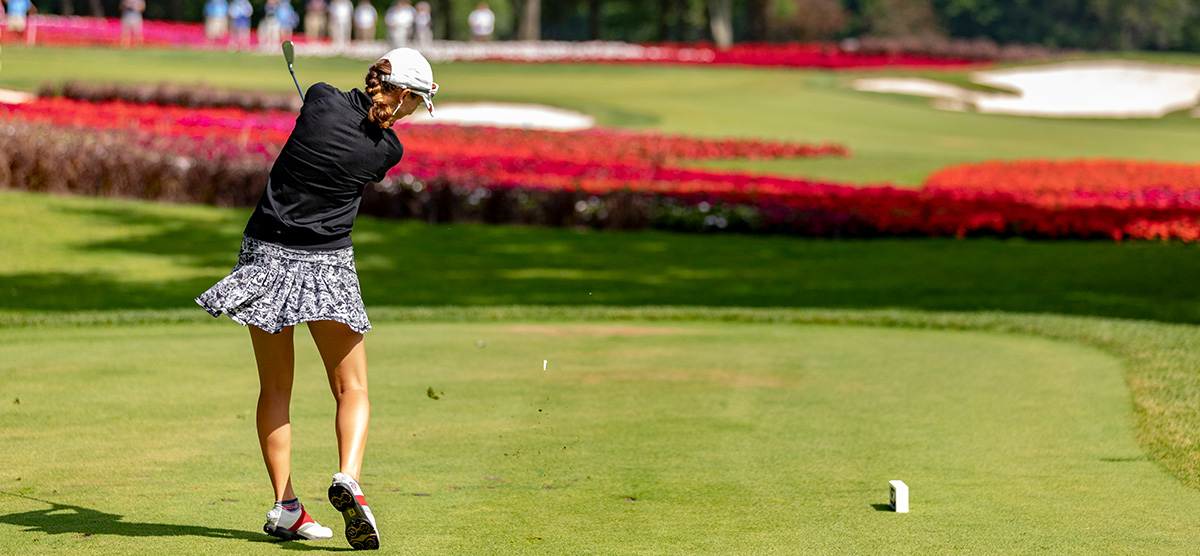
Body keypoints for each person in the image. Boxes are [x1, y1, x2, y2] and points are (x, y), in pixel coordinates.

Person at [196, 47, 438, 551]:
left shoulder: (320, 97)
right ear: (403, 94)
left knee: (276, 389)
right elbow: (362, 138)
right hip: (326, 265)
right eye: (416, 103)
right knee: (352, 388)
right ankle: (348, 477)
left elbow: (325, 110)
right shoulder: (386, 152)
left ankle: (286, 507)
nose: (414, 113)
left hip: (263, 255)